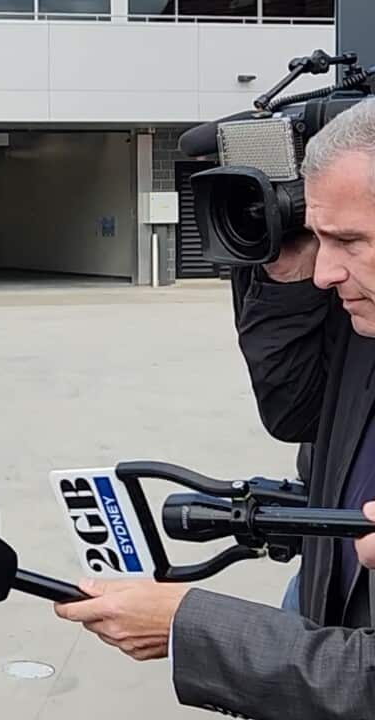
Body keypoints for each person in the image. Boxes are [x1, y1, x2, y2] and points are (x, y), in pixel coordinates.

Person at [53, 100, 375, 719]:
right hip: (320, 605)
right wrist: (284, 281)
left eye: (350, 241)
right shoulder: (362, 318)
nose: (326, 272)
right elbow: (293, 412)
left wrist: (187, 627)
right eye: (319, 235)